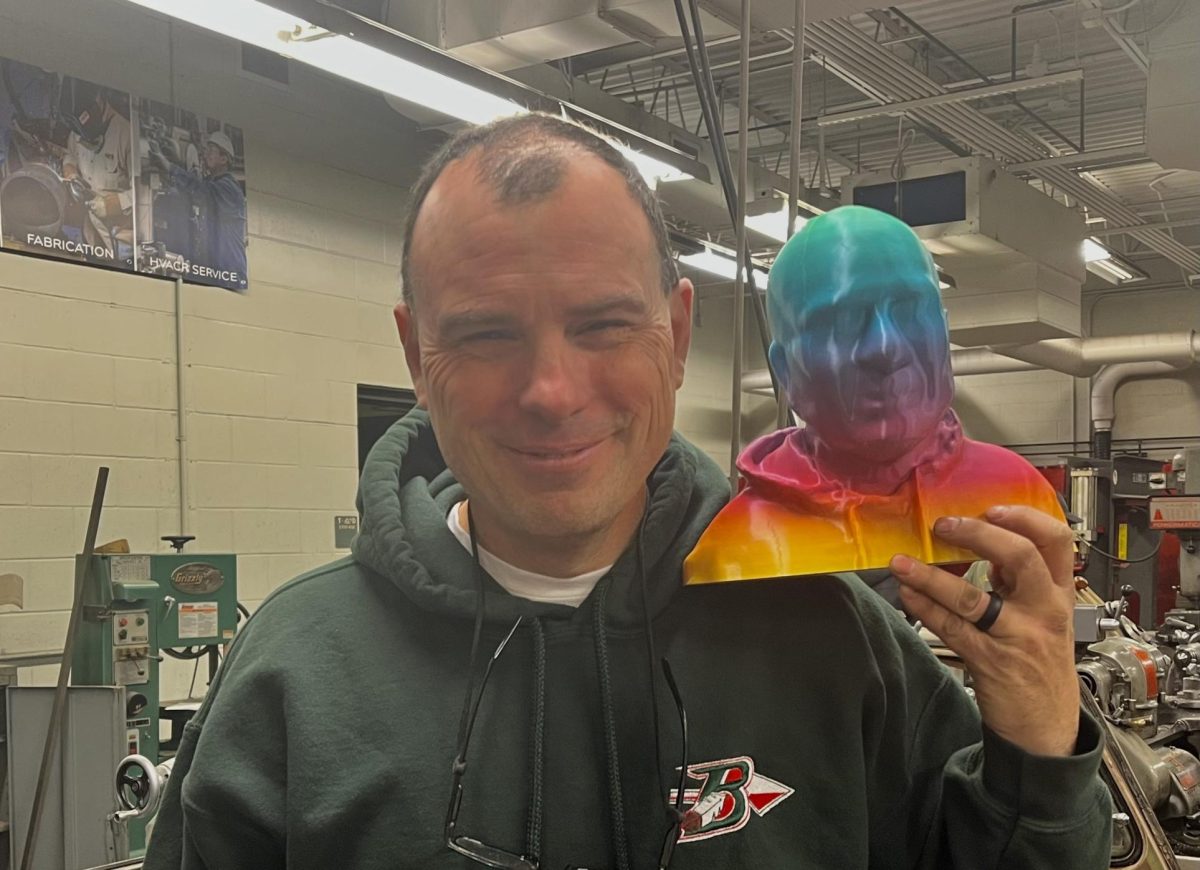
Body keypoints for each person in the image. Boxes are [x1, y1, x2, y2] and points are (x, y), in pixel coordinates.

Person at [144, 113, 1110, 869]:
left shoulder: (836, 637)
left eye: (605, 326)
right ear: (413, 350)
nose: (552, 393)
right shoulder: (294, 679)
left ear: (679, 334)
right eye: (486, 335)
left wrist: (1037, 745)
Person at [686, 205, 1063, 583]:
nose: (885, 347)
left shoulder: (1017, 495)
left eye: (910, 310)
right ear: (786, 372)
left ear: (945, 335)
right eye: (842, 321)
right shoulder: (741, 546)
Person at [149, 129, 247, 288]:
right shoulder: (214, 182)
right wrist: (176, 161)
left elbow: (199, 189)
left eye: (211, 151)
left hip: (228, 273)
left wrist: (169, 166)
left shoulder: (228, 188)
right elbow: (193, 187)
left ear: (224, 159)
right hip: (215, 270)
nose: (205, 154)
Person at [62, 83, 133, 259]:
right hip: (92, 236)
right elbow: (70, 156)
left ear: (100, 100)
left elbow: (145, 195)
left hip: (122, 243)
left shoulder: (126, 135)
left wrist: (114, 204)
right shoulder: (77, 131)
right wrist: (71, 174)